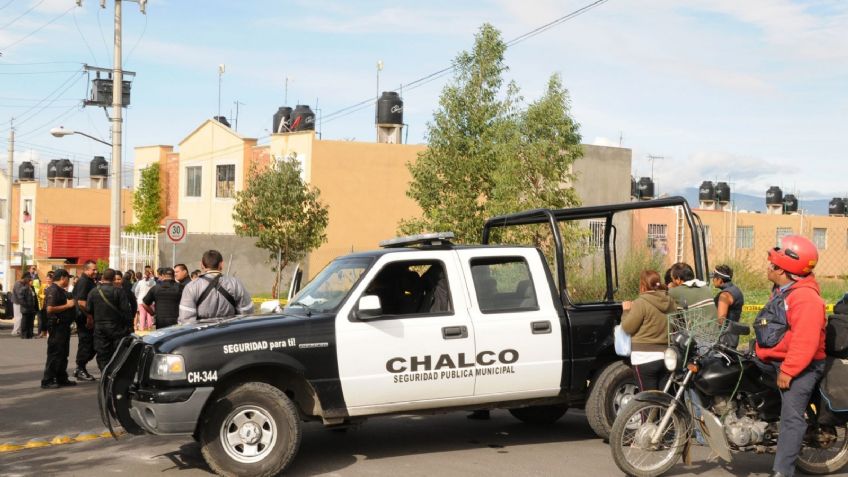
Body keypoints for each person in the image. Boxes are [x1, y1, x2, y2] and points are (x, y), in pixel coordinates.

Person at [755, 235, 826, 477]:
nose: (769, 267)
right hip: (776, 358)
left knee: (792, 418)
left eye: (774, 265)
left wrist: (789, 370)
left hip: (801, 365)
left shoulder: (805, 298)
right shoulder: (783, 290)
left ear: (786, 271)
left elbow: (805, 341)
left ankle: (783, 471)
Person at [621, 270, 678, 391]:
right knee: (664, 399)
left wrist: (626, 311)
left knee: (648, 401)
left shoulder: (640, 303)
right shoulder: (670, 301)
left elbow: (627, 328)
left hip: (644, 358)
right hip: (667, 356)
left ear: (642, 285)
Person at [178, 250, 253, 324]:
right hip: (230, 332)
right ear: (221, 264)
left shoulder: (191, 286)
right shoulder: (235, 283)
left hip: (203, 334)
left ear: (202, 265)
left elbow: (186, 319)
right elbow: (246, 313)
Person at [88, 269, 133, 372]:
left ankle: (104, 372)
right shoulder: (119, 291)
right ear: (113, 278)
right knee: (116, 351)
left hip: (99, 326)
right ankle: (114, 373)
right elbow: (126, 310)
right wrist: (129, 326)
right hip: (116, 326)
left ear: (102, 277)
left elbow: (89, 309)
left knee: (102, 352)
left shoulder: (94, 291)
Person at [41, 270, 77, 389]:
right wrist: (68, 305)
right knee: (55, 353)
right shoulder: (53, 290)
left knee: (63, 353)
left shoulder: (60, 290)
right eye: (68, 278)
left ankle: (61, 377)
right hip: (56, 326)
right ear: (62, 278)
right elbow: (50, 309)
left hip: (63, 326)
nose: (69, 280)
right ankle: (48, 380)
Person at [73, 260, 98, 382]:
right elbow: (81, 303)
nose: (95, 271)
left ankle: (80, 367)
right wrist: (89, 316)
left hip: (88, 317)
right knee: (86, 343)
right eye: (93, 269)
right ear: (86, 269)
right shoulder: (84, 282)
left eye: (96, 269)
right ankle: (80, 368)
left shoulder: (89, 281)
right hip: (84, 318)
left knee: (93, 344)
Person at [711, 265, 745, 348]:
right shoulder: (736, 290)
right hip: (734, 333)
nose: (713, 280)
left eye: (714, 278)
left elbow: (721, 320)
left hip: (725, 337)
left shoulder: (725, 295)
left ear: (720, 280)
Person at [13, 272, 37, 339]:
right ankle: (17, 331)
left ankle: (28, 333)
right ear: (25, 278)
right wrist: (25, 305)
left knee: (25, 320)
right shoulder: (19, 284)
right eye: (29, 278)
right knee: (19, 318)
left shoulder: (27, 286)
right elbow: (19, 296)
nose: (30, 280)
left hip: (26, 305)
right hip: (18, 303)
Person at [133, 265, 156, 331]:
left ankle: (142, 328)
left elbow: (136, 291)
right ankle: (150, 328)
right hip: (150, 301)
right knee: (149, 315)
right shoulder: (153, 282)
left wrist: (138, 297)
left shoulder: (140, 282)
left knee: (142, 315)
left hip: (141, 301)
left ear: (144, 274)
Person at [36, 271, 55, 338]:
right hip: (43, 305)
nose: (48, 280)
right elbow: (38, 294)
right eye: (47, 279)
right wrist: (43, 296)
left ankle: (49, 332)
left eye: (49, 279)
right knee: (43, 319)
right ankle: (42, 332)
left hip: (51, 305)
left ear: (52, 279)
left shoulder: (53, 286)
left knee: (49, 319)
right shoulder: (43, 285)